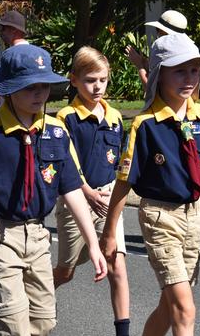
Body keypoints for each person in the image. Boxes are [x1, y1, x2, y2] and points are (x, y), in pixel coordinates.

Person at [0, 44, 107, 336]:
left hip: (36, 236)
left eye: (43, 86)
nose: (38, 94)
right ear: (8, 89)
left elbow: (70, 189)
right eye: (29, 87)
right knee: (14, 324)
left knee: (44, 322)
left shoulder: (56, 131)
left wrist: (93, 243)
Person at [101, 33, 200, 335]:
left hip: (194, 217)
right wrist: (110, 232)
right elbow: (124, 182)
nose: (189, 78)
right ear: (158, 73)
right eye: (179, 70)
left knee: (170, 306)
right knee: (185, 309)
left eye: (194, 69)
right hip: (160, 217)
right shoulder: (146, 125)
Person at [54, 46, 130, 336]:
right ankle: (40, 296)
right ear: (73, 80)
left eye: (103, 79)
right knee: (67, 270)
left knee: (116, 263)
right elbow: (66, 161)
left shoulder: (115, 117)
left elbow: (118, 161)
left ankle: (122, 330)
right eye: (90, 80)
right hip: (76, 201)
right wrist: (85, 190)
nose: (97, 86)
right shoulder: (66, 117)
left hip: (108, 199)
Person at [125, 9, 188, 87]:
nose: (158, 33)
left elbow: (151, 89)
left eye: (159, 30)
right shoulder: (185, 53)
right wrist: (144, 62)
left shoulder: (162, 48)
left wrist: (139, 66)